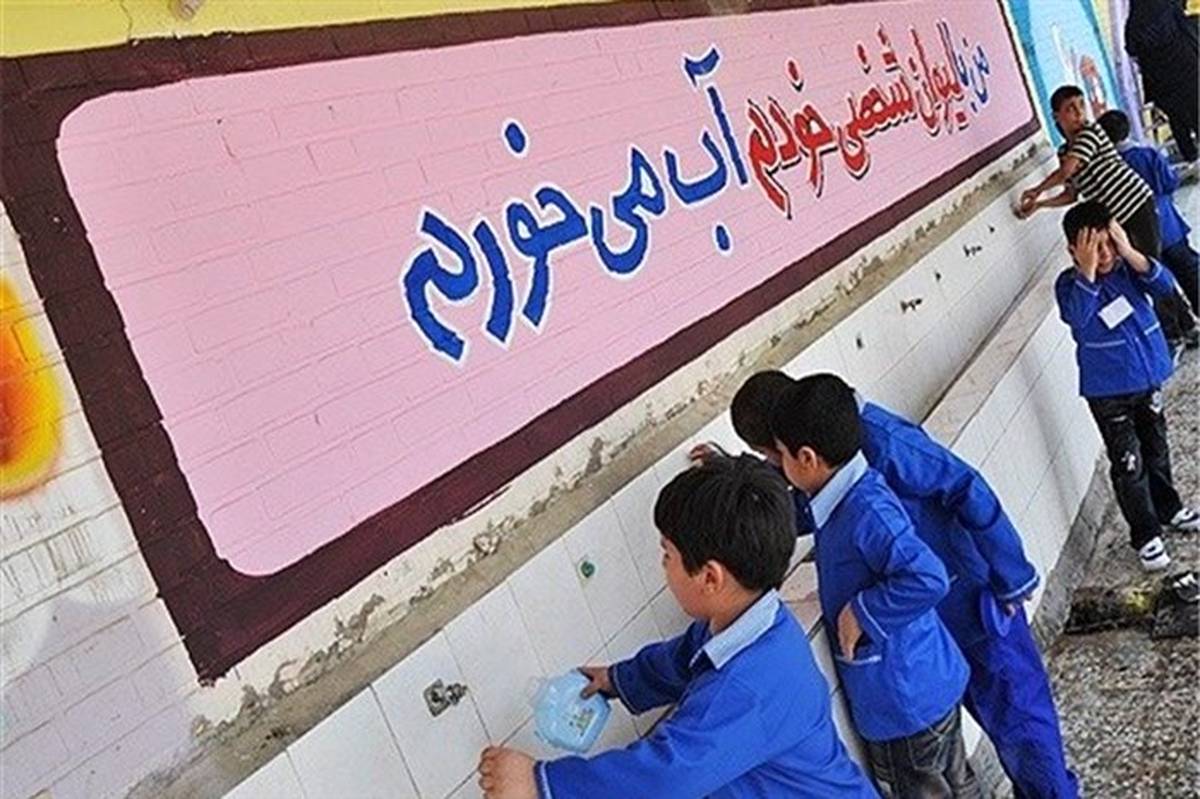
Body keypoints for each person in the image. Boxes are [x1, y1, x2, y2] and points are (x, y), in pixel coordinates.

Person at [707, 370, 1079, 798]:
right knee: (976, 747)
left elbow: (963, 483)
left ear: (797, 448)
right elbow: (809, 508)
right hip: (931, 620)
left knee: (1021, 724)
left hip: (973, 599)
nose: (776, 469)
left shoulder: (883, 442)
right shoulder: (836, 456)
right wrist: (733, 482)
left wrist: (1011, 573)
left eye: (772, 457)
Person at [477, 455, 878, 799]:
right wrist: (618, 679)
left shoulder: (744, 689)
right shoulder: (754, 622)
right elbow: (684, 659)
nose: (663, 566)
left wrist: (543, 783)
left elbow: (665, 776)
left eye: (667, 555)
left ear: (710, 577)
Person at [769, 375, 979, 799]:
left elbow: (927, 576)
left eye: (780, 457)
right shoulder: (844, 493)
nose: (780, 468)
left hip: (904, 701)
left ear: (806, 458)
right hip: (925, 684)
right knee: (960, 784)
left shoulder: (866, 511)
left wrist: (861, 612)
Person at [1054, 201, 1200, 571]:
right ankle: (1146, 534)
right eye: (1095, 248)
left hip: (1147, 381)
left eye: (1109, 244)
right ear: (1073, 250)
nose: (1105, 255)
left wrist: (1129, 250)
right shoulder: (1070, 285)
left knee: (1156, 449)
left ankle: (1169, 508)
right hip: (1108, 394)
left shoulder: (1128, 270)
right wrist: (1088, 271)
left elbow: (1164, 285)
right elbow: (1077, 317)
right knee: (1128, 463)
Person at [1097, 108, 1199, 350]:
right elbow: (1169, 182)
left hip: (1138, 237)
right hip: (1167, 225)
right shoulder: (1146, 155)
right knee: (1189, 269)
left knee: (1157, 280)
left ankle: (1177, 330)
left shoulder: (1107, 167)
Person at [1017, 86, 1159, 257]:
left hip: (1134, 204)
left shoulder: (1090, 132)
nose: (1079, 113)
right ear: (1056, 116)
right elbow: (1071, 195)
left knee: (1148, 261)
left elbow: (1066, 172)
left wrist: (1037, 190)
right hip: (1113, 217)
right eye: (1070, 108)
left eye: (1082, 105)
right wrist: (1040, 204)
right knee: (1129, 263)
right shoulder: (1064, 152)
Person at [1125, 0, 1199, 163]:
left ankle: (1189, 154)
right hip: (1188, 70)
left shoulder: (1133, 24)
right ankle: (1190, 153)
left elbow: (1131, 49)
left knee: (1177, 118)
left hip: (1163, 84)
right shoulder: (1167, 5)